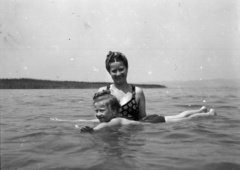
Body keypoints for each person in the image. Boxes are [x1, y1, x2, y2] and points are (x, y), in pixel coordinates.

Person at [80, 91, 217, 133]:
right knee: (179, 115)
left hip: (153, 123)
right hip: (147, 121)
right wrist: (61, 121)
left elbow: (103, 126)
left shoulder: (115, 120)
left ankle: (208, 114)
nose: (98, 114)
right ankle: (200, 109)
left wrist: (93, 131)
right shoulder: (109, 118)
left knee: (185, 119)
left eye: (101, 110)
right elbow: (89, 121)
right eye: (96, 110)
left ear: (114, 111)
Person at [98, 51, 146, 121]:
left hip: (133, 131)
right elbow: (99, 118)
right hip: (108, 132)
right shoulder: (103, 92)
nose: (118, 74)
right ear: (109, 72)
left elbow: (143, 120)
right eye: (114, 71)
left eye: (121, 69)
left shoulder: (137, 92)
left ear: (127, 69)